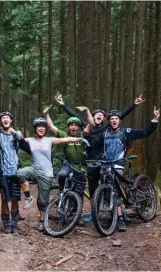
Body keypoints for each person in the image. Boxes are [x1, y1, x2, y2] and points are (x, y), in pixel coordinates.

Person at [55, 94, 145, 223]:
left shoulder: (106, 129)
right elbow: (73, 115)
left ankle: (116, 213)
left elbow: (121, 115)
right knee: (92, 190)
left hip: (104, 163)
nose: (99, 115)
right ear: (92, 117)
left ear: (104, 119)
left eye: (102, 115)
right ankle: (94, 214)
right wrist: (62, 104)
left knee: (109, 188)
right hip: (91, 163)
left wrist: (134, 104)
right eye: (97, 114)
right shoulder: (88, 126)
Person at [90, 106, 160, 231]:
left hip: (118, 164)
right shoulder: (104, 134)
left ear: (119, 121)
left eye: (116, 118)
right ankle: (111, 212)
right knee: (106, 188)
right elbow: (92, 144)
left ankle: (120, 219)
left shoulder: (125, 132)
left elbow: (145, 132)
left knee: (115, 191)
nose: (114, 120)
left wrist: (154, 119)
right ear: (109, 121)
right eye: (112, 119)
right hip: (106, 165)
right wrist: (83, 140)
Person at [17, 118, 84, 232]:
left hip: (46, 173)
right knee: (20, 173)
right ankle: (28, 197)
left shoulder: (50, 140)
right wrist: (16, 133)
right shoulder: (31, 140)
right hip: (33, 169)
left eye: (43, 127)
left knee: (43, 201)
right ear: (35, 129)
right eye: (39, 126)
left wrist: (80, 139)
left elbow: (66, 139)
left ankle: (42, 221)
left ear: (45, 129)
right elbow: (19, 139)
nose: (41, 128)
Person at [46, 108, 93, 226]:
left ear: (78, 127)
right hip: (67, 164)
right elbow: (51, 126)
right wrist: (46, 112)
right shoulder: (64, 134)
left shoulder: (82, 135)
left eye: (76, 125)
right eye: (71, 125)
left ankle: (77, 216)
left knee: (79, 192)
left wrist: (87, 111)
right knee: (62, 175)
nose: (74, 127)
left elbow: (91, 124)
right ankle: (62, 191)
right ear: (68, 127)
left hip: (81, 167)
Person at [0, 111, 31, 235]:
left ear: (11, 120)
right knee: (5, 198)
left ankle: (14, 223)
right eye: (3, 118)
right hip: (1, 172)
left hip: (15, 171)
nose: (5, 120)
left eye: (7, 118)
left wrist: (19, 135)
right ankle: (6, 223)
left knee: (15, 199)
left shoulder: (16, 135)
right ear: (0, 122)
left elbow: (28, 148)